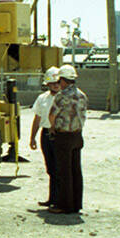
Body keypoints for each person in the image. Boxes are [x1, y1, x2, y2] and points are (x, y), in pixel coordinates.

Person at [47, 63, 88, 214]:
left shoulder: (61, 96)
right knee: (76, 171)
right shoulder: (82, 95)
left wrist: (52, 127)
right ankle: (76, 204)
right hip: (77, 135)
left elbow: (52, 115)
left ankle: (64, 205)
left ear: (63, 80)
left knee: (64, 172)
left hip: (63, 136)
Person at [29, 67, 60, 207]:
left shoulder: (64, 98)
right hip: (46, 134)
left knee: (61, 168)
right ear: (47, 84)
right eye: (53, 83)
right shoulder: (42, 99)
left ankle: (60, 200)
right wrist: (32, 138)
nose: (56, 85)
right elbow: (37, 118)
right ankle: (52, 199)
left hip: (60, 135)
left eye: (58, 82)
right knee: (51, 168)